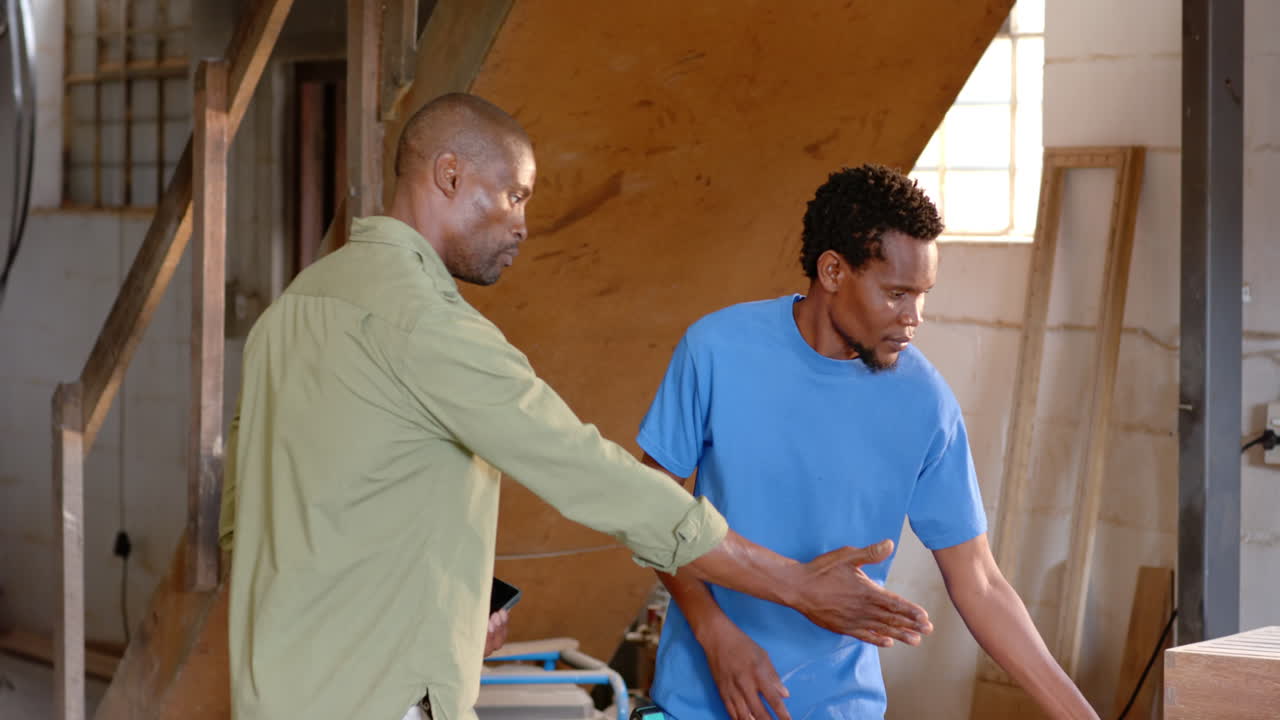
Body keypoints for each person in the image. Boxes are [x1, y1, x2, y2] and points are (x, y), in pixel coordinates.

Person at [218, 96, 936, 720]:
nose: (523, 225)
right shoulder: (429, 327)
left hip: (274, 692)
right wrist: (792, 582)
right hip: (380, 701)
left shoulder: (296, 307)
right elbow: (587, 470)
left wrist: (451, 614)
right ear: (449, 175)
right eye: (515, 196)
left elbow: (247, 517)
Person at [638, 164, 1099, 720]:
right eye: (897, 293)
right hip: (697, 699)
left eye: (923, 295)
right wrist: (714, 633)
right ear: (833, 271)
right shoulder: (716, 349)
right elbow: (650, 508)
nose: (914, 318)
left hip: (840, 708)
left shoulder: (926, 403)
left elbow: (980, 582)